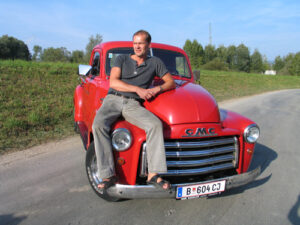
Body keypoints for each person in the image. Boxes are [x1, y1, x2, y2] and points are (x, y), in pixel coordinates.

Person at [92, 30, 176, 191]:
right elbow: (114, 83)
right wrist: (138, 90)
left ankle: (153, 174)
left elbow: (170, 82)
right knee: (98, 125)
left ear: (148, 45)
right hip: (113, 99)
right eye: (135, 43)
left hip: (133, 104)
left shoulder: (155, 62)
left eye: (141, 43)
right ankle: (108, 175)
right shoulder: (122, 58)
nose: (137, 46)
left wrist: (157, 89)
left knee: (155, 125)